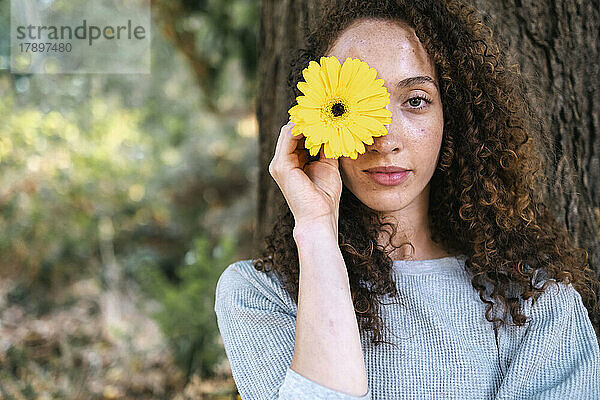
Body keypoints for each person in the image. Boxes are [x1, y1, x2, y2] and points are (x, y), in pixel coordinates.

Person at [214, 0, 600, 399]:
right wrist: (315, 230)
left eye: (415, 101)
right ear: (317, 119)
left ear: (453, 115)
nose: (384, 139)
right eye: (350, 106)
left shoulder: (536, 302)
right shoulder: (258, 294)